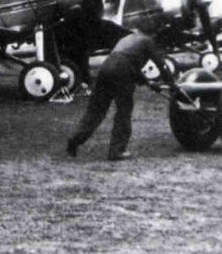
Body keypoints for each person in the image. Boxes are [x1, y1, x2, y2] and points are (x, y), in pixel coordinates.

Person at [66, 29, 177, 161]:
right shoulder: (149, 42)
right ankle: (117, 151)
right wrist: (173, 85)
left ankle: (74, 140)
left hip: (106, 67)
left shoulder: (131, 38)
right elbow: (162, 66)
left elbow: (129, 63)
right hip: (122, 69)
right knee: (123, 111)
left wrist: (148, 82)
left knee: (95, 110)